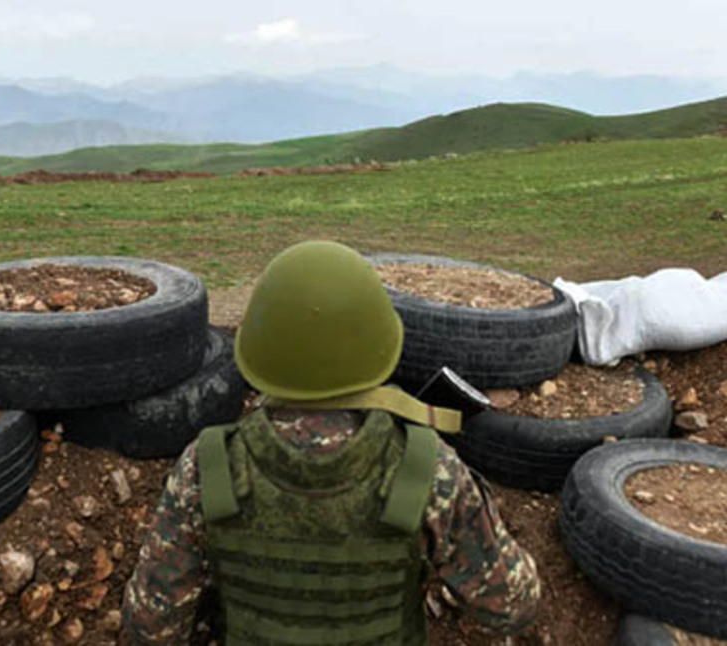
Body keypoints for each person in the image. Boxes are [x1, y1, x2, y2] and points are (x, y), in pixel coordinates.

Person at [121, 240, 540, 645]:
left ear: (259, 352)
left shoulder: (207, 467)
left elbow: (152, 626)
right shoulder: (428, 470)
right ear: (379, 347)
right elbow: (511, 606)